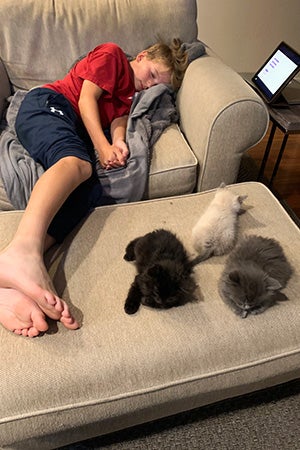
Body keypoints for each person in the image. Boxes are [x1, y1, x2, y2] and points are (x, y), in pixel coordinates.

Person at [0, 39, 188, 337]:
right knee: (78, 163)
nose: (147, 85)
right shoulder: (113, 56)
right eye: (151, 74)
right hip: (47, 106)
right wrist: (101, 147)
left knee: (88, 192)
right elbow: (87, 100)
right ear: (141, 56)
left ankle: (14, 285)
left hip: (66, 122)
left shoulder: (129, 95)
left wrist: (119, 144)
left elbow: (118, 122)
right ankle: (22, 252)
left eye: (156, 85)